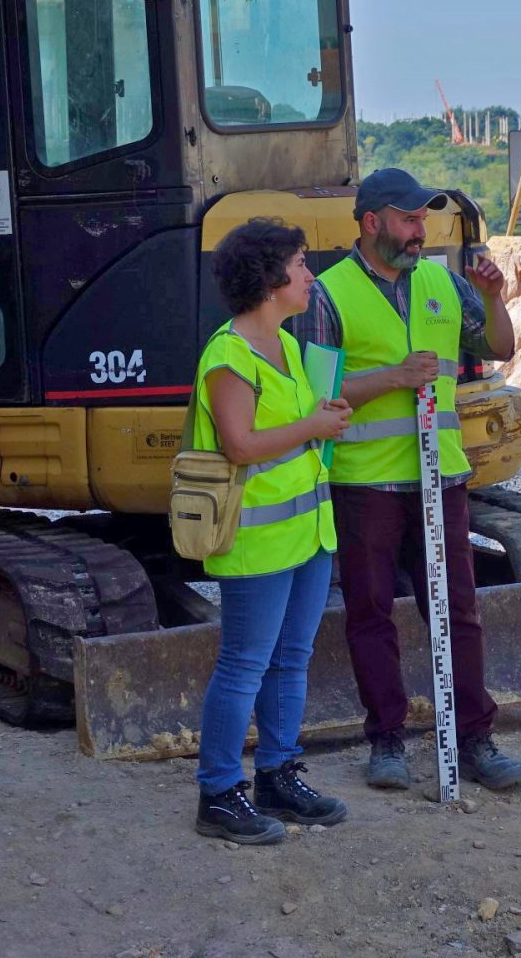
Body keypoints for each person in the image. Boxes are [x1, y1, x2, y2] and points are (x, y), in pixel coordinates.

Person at [299, 167, 521, 791]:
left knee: (457, 610)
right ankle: (387, 742)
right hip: (366, 483)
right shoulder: (327, 294)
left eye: (422, 218)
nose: (418, 230)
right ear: (371, 222)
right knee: (370, 613)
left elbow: (502, 346)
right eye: (407, 218)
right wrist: (393, 379)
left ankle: (476, 739)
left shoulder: (442, 283)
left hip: (442, 480)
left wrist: (495, 297)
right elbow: (317, 396)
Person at [192, 218, 354, 846]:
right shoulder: (228, 356)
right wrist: (315, 426)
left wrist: (323, 417)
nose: (309, 275)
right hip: (258, 542)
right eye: (300, 263)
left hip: (309, 536)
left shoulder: (285, 347)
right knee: (243, 667)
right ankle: (218, 792)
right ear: (269, 279)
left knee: (290, 659)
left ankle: (278, 774)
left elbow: (295, 427)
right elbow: (240, 446)